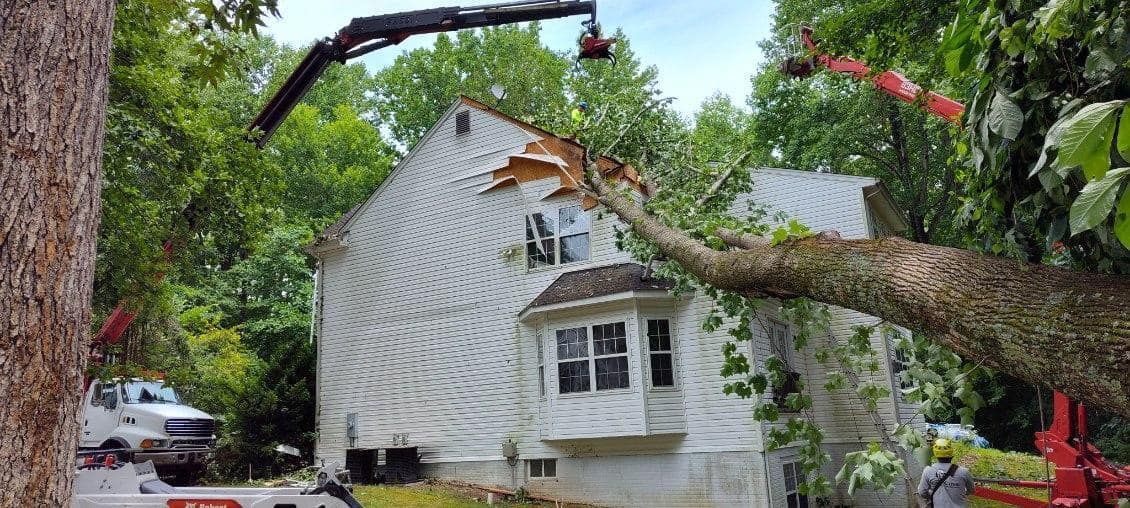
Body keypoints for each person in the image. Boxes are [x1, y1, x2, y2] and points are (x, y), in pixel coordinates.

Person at [917, 438, 975, 507]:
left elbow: (922, 492)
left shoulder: (928, 470)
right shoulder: (964, 472)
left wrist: (932, 496)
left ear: (935, 454)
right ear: (951, 454)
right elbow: (971, 490)